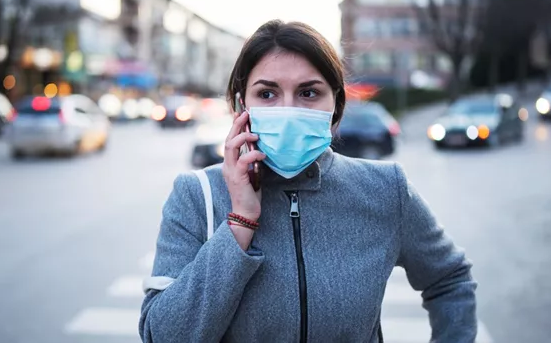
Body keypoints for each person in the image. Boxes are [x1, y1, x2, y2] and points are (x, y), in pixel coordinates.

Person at [139, 20, 477, 342]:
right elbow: (162, 335)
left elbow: (450, 279)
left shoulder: (385, 189)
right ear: (242, 104)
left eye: (308, 93)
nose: (288, 109)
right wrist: (240, 223)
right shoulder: (196, 196)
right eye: (267, 94)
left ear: (336, 103)